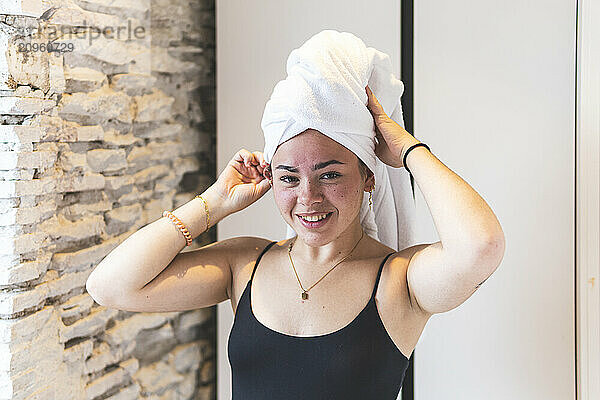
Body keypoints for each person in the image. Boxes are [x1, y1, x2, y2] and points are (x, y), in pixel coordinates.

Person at [86, 86, 505, 399]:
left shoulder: (400, 281)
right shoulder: (246, 263)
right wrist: (211, 204)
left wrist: (409, 150)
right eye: (289, 177)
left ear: (369, 178)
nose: (308, 198)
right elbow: (111, 286)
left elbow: (480, 246)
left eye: (330, 174)